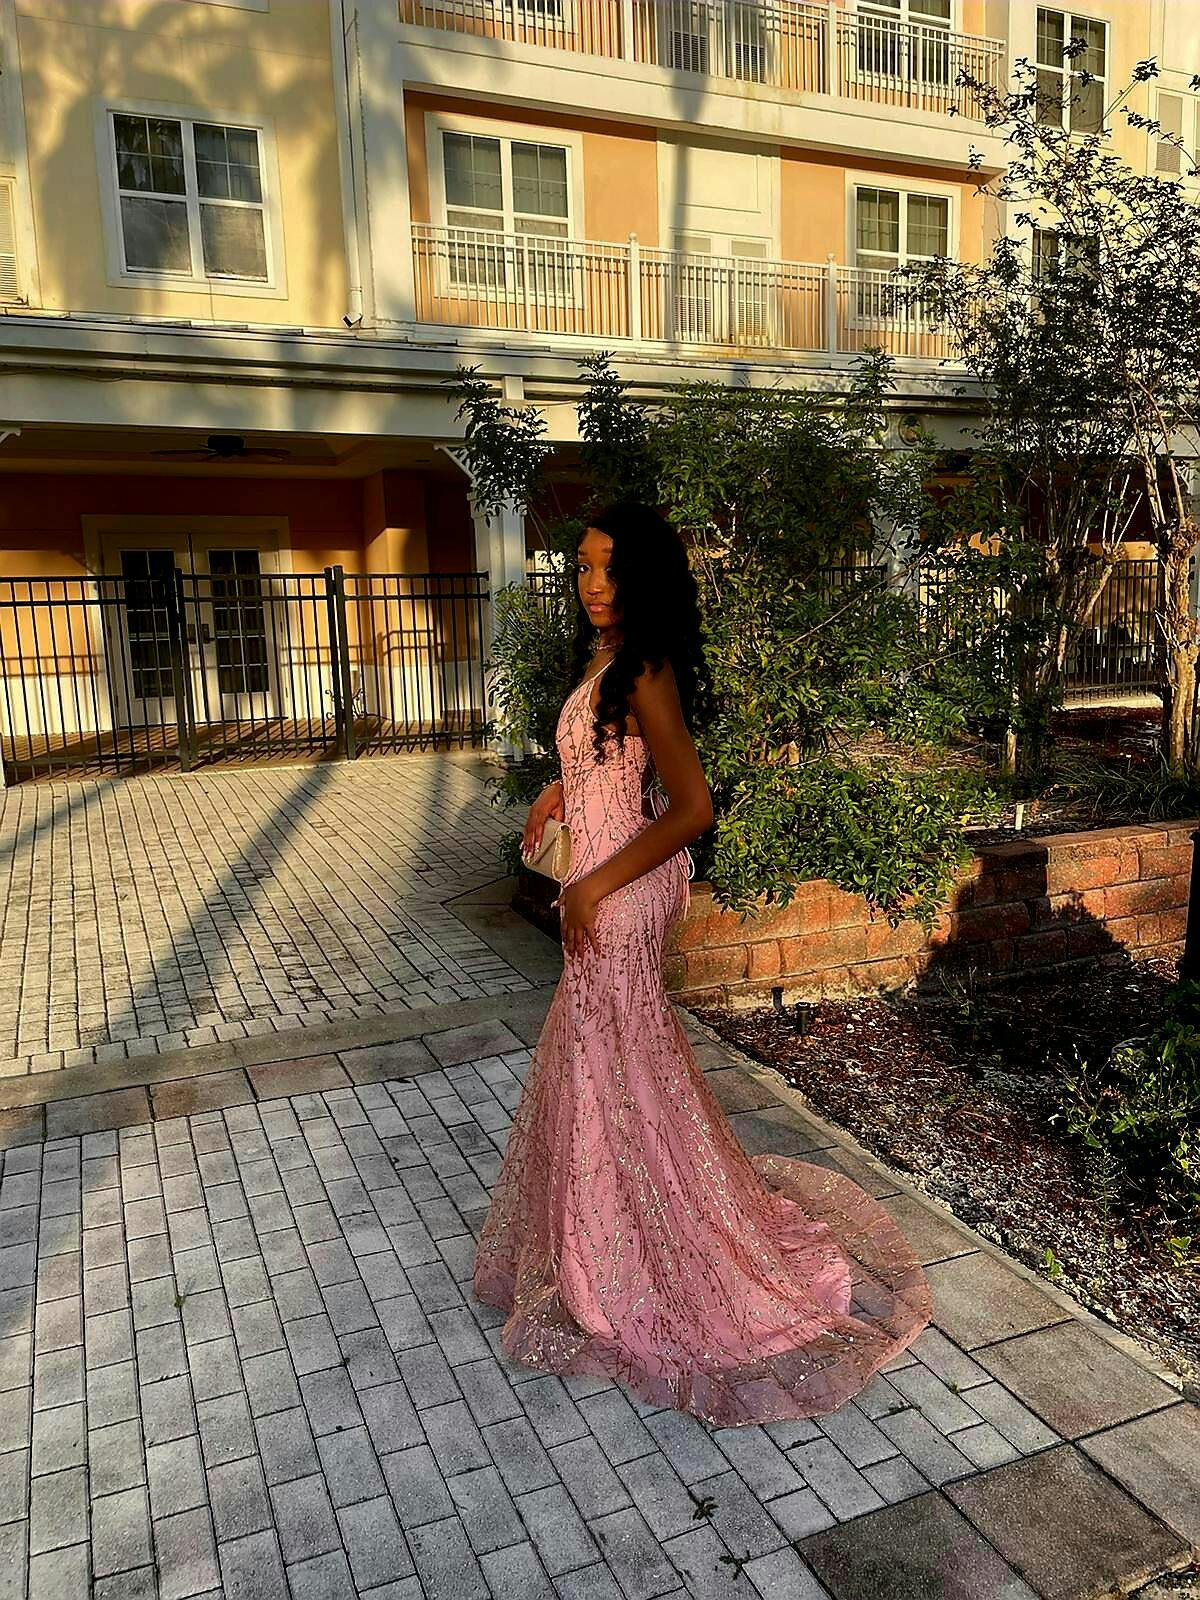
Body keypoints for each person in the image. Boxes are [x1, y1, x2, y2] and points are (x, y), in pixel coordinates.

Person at [472, 503, 933, 1428]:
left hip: (623, 890)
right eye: (582, 566)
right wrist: (560, 787)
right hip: (605, 878)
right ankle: (612, 1240)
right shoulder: (604, 659)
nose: (592, 584)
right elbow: (612, 765)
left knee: (612, 1064)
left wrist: (596, 884)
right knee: (612, 1067)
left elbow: (693, 807)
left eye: (610, 567)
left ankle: (639, 1253)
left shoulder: (645, 666)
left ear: (643, 574)